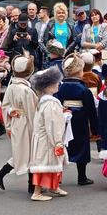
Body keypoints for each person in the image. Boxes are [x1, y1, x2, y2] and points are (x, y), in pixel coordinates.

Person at [0, 53, 39, 193]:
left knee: (22, 152)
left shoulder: (12, 86)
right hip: (27, 124)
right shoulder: (26, 91)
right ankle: (31, 186)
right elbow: (32, 111)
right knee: (31, 152)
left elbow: (5, 105)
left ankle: (1, 174)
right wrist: (36, 128)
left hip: (17, 122)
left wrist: (9, 121)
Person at [55, 53, 98, 186]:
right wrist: (95, 128)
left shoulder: (60, 87)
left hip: (64, 121)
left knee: (63, 147)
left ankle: (58, 177)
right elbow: (91, 110)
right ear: (79, 71)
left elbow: (56, 103)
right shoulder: (84, 90)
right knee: (82, 147)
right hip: (80, 122)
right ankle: (82, 176)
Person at [29, 66, 69, 201]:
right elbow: (53, 124)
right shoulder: (51, 103)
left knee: (48, 164)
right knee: (45, 164)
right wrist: (57, 141)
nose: (58, 83)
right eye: (55, 82)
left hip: (43, 139)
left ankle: (53, 186)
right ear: (49, 85)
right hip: (48, 140)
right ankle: (37, 192)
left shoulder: (44, 101)